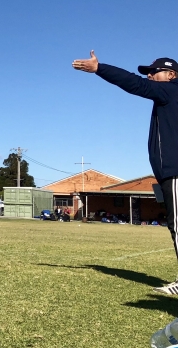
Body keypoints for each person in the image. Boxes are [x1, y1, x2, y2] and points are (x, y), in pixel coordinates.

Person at [73, 51, 178, 293]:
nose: (150, 76)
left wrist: (100, 68)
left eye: (154, 72)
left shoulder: (170, 90)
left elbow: (134, 83)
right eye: (148, 72)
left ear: (172, 75)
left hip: (175, 173)